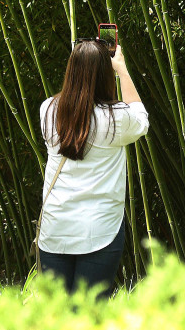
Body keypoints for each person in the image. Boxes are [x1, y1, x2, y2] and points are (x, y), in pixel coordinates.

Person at [37, 37, 148, 297]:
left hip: (56, 229)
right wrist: (122, 70)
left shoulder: (48, 110)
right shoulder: (116, 118)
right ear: (104, 76)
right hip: (99, 231)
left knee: (56, 314)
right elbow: (141, 118)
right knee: (90, 312)